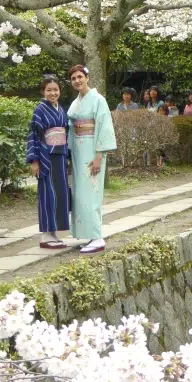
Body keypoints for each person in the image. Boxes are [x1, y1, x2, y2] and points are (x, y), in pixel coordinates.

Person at [67, 65, 117, 254]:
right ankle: (89, 234)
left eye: (80, 76)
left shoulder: (98, 99)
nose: (77, 81)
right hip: (79, 150)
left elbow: (104, 126)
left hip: (92, 149)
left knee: (92, 194)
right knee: (80, 194)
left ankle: (97, 237)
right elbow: (72, 127)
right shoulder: (76, 102)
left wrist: (99, 156)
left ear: (87, 77)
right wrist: (70, 154)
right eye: (73, 78)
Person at [26, 75, 71, 249]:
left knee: (59, 194)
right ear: (43, 91)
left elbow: (65, 133)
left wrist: (67, 156)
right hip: (45, 157)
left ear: (60, 91)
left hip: (59, 156)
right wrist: (34, 160)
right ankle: (45, 235)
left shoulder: (60, 109)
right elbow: (34, 136)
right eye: (49, 90)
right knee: (47, 194)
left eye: (55, 90)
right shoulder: (40, 110)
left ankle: (54, 232)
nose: (53, 93)